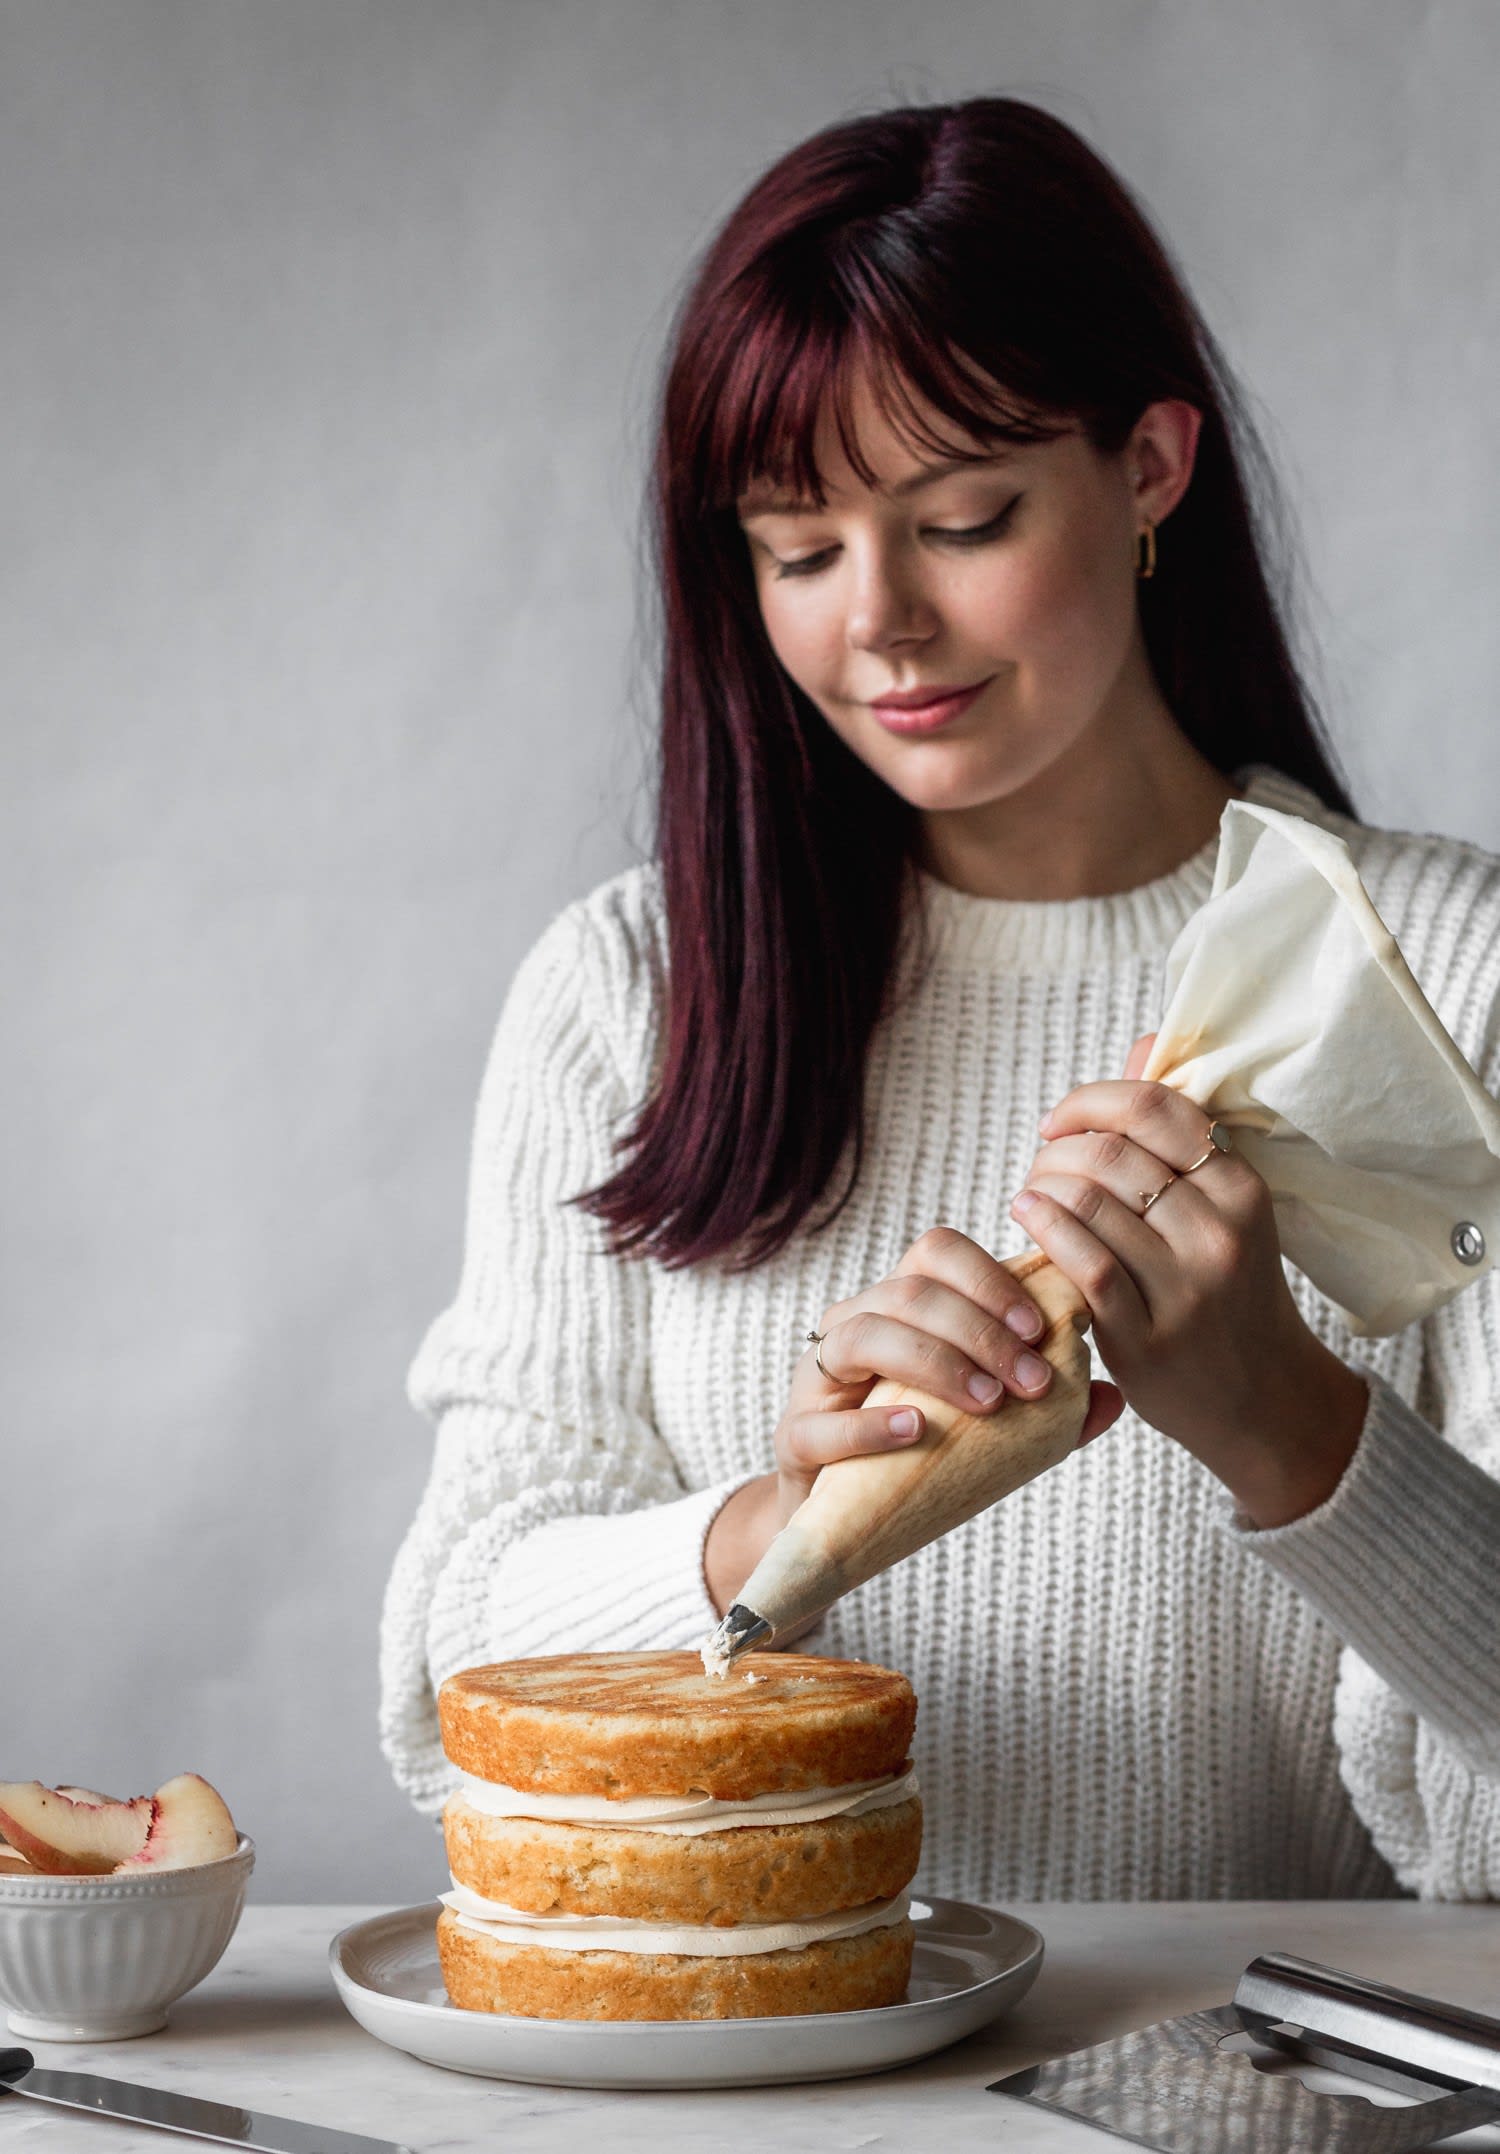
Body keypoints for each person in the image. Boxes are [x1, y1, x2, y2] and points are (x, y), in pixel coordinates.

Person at [379, 96, 1500, 1902]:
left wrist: (1283, 1415)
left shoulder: (1455, 975)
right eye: (797, 550)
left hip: (1260, 2087)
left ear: (1149, 466)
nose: (879, 621)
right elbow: (457, 1686)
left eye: (962, 519)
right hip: (747, 2080)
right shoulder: (634, 986)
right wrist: (787, 1524)